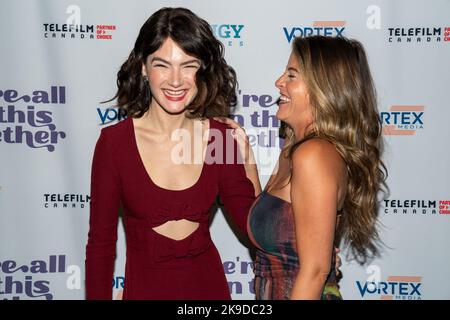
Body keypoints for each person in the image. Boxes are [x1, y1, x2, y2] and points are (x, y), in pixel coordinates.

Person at [85, 7, 260, 300]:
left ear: (202, 69)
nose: (176, 80)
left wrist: (249, 161)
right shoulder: (114, 143)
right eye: (162, 65)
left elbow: (253, 229)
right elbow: (101, 245)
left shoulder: (220, 137)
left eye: (188, 65)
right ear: (143, 66)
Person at [220, 35, 386, 300]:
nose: (279, 82)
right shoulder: (294, 146)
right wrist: (246, 157)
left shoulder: (313, 155)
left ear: (323, 87)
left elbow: (315, 270)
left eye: (291, 75)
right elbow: (272, 220)